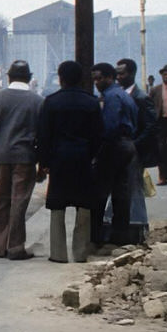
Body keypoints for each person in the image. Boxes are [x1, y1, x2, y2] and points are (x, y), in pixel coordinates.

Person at [0, 60, 45, 260]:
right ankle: (15, 246)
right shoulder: (38, 101)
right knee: (19, 201)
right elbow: (42, 136)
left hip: (0, 156)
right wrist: (42, 164)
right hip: (25, 157)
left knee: (3, 199)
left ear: (8, 76)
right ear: (30, 77)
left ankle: (1, 246)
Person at [37, 61, 103, 263]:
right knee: (84, 204)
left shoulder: (51, 102)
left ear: (61, 78)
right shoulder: (91, 102)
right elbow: (98, 135)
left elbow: (44, 135)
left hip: (59, 159)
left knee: (58, 204)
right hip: (83, 158)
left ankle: (58, 254)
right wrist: (91, 156)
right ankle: (80, 252)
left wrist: (44, 162)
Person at [105, 57, 157, 244]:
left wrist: (134, 145)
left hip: (133, 152)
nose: (118, 76)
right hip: (117, 151)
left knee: (133, 189)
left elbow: (151, 126)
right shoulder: (115, 96)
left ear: (132, 74)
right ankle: (117, 229)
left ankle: (136, 229)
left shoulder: (142, 98)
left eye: (122, 73)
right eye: (117, 73)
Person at [90, 62, 138, 250]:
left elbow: (109, 127)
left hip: (114, 146)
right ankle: (120, 236)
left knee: (101, 192)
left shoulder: (111, 98)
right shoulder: (123, 95)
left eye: (99, 78)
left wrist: (98, 150)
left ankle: (97, 236)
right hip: (126, 144)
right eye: (94, 79)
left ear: (110, 77)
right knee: (121, 192)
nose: (96, 82)